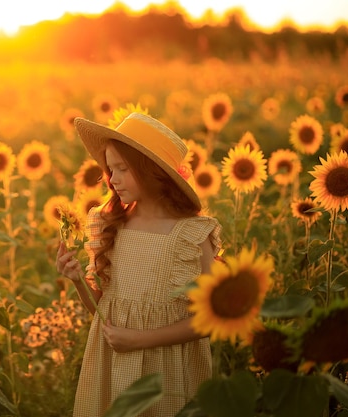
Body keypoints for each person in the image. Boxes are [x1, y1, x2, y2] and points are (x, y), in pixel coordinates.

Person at [56, 112, 222, 417]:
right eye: (109, 169)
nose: (112, 179)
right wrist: (78, 279)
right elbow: (105, 311)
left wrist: (140, 340)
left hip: (166, 374)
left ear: (154, 172)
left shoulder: (189, 235)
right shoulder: (111, 226)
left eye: (122, 168)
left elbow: (209, 320)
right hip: (112, 366)